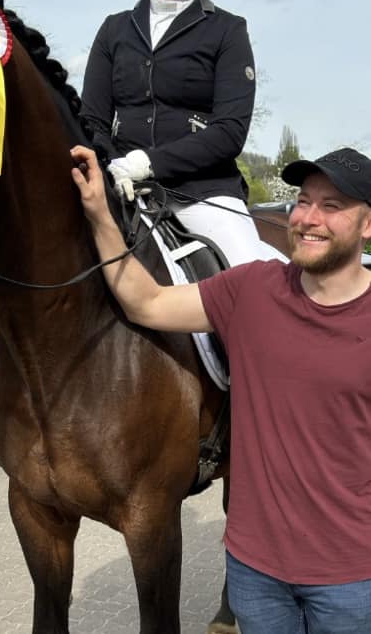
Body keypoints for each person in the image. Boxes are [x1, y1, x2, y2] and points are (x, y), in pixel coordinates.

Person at [70, 143, 371, 634]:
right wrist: (100, 212)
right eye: (303, 201)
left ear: (367, 226)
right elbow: (145, 303)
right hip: (257, 574)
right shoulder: (251, 290)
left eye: (332, 206)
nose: (309, 217)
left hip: (353, 581)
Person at [80, 0, 266, 265]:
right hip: (121, 189)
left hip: (204, 195)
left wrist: (148, 163)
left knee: (251, 283)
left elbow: (230, 132)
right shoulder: (114, 29)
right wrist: (113, 165)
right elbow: (92, 120)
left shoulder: (228, 31)